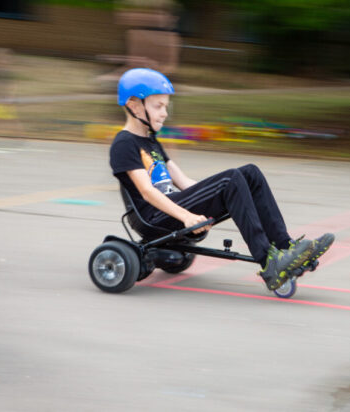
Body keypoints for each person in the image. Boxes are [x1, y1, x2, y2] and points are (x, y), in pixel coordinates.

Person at [109, 68, 334, 291]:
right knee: (231, 180)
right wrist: (187, 216)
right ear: (134, 104)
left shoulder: (151, 142)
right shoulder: (125, 143)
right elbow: (147, 192)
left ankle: (286, 248)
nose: (164, 113)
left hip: (172, 206)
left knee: (249, 174)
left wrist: (215, 193)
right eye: (158, 106)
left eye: (166, 106)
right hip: (153, 217)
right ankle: (270, 262)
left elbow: (183, 181)